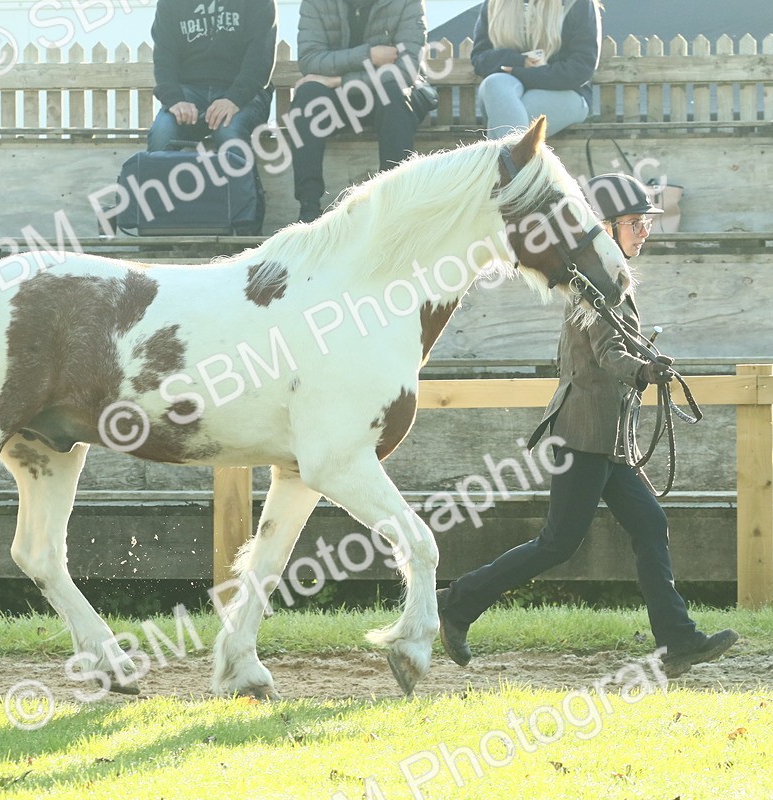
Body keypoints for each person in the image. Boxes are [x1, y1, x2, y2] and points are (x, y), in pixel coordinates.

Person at [436, 173, 738, 679]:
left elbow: (611, 350)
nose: (644, 232)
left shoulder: (603, 281)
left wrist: (647, 361)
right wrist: (643, 369)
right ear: (602, 227)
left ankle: (677, 642)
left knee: (649, 525)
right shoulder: (596, 281)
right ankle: (457, 602)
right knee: (558, 543)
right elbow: (606, 352)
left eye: (645, 223)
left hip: (607, 437)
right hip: (583, 434)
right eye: (635, 223)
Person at [291, 0, 429, 223]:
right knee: (308, 94)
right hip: (343, 101)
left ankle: (392, 203)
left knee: (392, 93)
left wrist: (339, 79)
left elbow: (406, 69)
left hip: (393, 94)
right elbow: (310, 60)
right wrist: (369, 55)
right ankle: (308, 208)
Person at [147, 0, 277, 154]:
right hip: (189, 94)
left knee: (228, 130)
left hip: (244, 94)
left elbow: (260, 58)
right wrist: (175, 100)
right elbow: (164, 58)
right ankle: (158, 178)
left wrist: (234, 99)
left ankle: (245, 178)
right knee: (162, 133)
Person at [472, 0, 601, 139]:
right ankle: (514, 158)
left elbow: (581, 68)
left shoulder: (578, 3)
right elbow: (480, 57)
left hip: (564, 91)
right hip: (505, 87)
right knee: (494, 84)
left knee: (506, 120)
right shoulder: (494, 3)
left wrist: (521, 72)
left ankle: (508, 158)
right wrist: (519, 61)